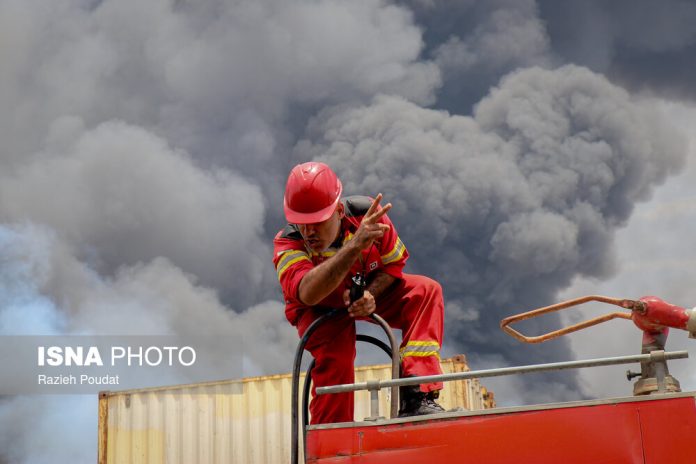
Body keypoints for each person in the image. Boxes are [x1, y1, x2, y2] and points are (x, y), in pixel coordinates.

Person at [273, 161, 445, 424]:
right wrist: (354, 246)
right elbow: (307, 293)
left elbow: (393, 265)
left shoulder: (369, 218)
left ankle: (418, 395)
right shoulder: (288, 242)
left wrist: (370, 295)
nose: (308, 232)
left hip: (363, 293)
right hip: (319, 309)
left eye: (317, 222)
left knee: (425, 291)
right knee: (336, 359)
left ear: (339, 211)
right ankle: (333, 436)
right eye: (301, 223)